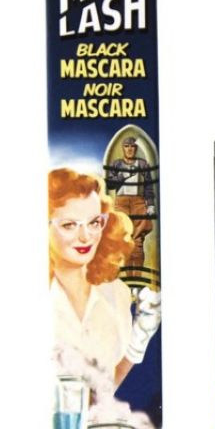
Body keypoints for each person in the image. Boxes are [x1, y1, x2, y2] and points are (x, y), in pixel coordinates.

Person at [48, 168, 161, 397]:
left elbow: (105, 392)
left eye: (94, 222)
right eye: (69, 225)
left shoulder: (116, 293)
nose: (85, 236)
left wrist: (137, 343)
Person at [105, 137, 155, 270]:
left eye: (132, 146)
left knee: (137, 241)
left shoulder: (142, 164)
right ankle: (126, 278)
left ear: (136, 148)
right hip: (121, 203)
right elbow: (110, 184)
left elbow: (149, 185)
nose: (130, 149)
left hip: (138, 202)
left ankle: (137, 277)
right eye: (126, 146)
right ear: (123, 148)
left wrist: (150, 204)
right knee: (124, 239)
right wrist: (123, 176)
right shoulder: (117, 164)